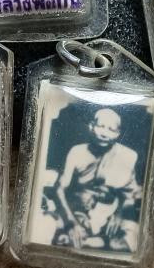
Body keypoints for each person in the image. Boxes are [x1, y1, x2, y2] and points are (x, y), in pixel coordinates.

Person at [53, 108, 141, 252]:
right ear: (91, 126)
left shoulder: (128, 156)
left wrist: (118, 215)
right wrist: (71, 223)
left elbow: (128, 194)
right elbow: (60, 189)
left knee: (130, 240)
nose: (104, 134)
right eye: (101, 126)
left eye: (111, 129)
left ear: (118, 134)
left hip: (110, 212)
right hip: (76, 211)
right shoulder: (77, 152)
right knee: (55, 234)